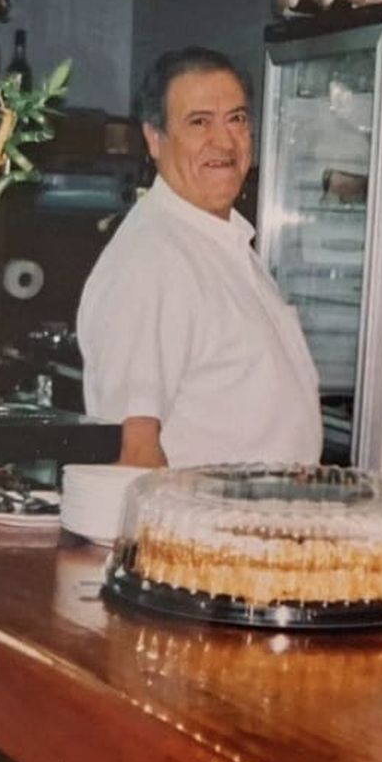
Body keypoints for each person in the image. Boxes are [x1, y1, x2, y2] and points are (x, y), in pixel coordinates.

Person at [78, 47, 321, 468]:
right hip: (203, 530)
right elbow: (133, 450)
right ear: (155, 139)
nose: (225, 142)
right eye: (199, 123)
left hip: (261, 522)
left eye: (237, 119)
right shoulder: (152, 260)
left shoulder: (219, 242)